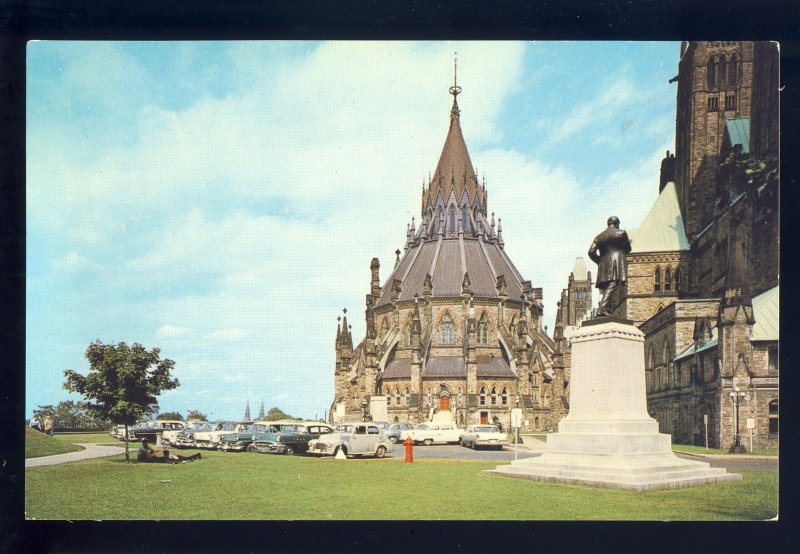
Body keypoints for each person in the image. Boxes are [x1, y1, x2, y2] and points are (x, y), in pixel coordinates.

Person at [587, 216, 632, 318]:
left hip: (603, 265)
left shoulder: (599, 237)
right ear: (617, 224)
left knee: (609, 287)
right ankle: (602, 309)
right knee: (613, 284)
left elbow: (591, 252)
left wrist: (600, 261)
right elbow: (628, 248)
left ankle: (605, 310)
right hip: (616, 263)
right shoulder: (621, 233)